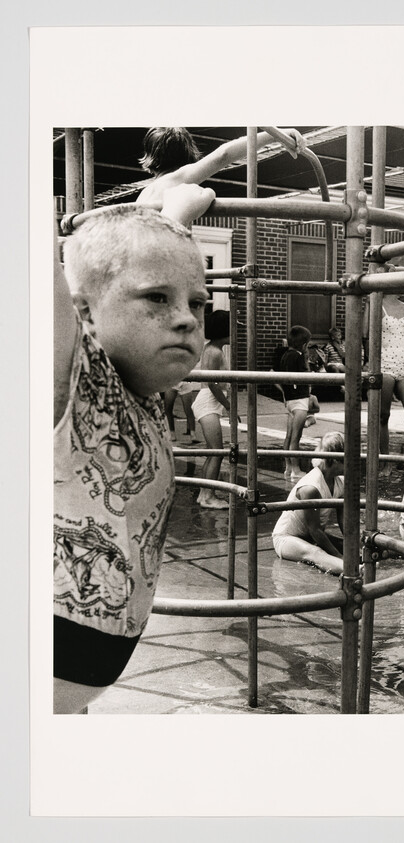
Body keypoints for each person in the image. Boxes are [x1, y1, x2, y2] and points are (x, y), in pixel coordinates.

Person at [54, 184, 216, 714]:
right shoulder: (71, 377)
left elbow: (148, 272)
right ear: (82, 312)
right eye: (158, 299)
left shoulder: (139, 389)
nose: (188, 318)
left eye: (198, 303)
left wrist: (174, 217)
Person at [136, 126, 307, 207]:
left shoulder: (145, 193)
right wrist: (276, 135)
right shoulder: (178, 178)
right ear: (188, 156)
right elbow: (223, 155)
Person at [272, 432, 346, 575]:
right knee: (315, 553)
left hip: (308, 537)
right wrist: (340, 557)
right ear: (335, 460)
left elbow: (344, 521)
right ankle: (351, 570)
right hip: (287, 538)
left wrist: (354, 545)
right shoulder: (310, 487)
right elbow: (315, 530)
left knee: (347, 545)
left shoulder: (340, 482)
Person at [363, 292, 404, 474]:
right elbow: (366, 333)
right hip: (383, 363)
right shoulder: (376, 304)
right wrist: (369, 361)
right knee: (382, 416)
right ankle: (384, 461)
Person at [191, 310, 232, 509]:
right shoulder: (214, 352)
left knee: (212, 452)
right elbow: (212, 383)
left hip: (209, 401)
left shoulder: (213, 349)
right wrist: (228, 405)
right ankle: (209, 496)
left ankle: (204, 493)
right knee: (217, 452)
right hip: (208, 401)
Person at [280, 325, 319, 480]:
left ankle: (288, 468)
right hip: (299, 401)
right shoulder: (297, 356)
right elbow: (302, 375)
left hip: (290, 400)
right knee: (296, 437)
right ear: (304, 345)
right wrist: (311, 373)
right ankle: (296, 470)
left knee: (289, 436)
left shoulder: (285, 355)